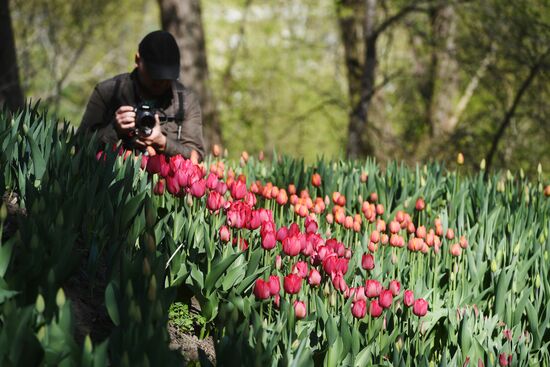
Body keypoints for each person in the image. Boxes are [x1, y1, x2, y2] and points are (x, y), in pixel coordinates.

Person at [78, 30, 205, 162]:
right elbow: (79, 146)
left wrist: (163, 143)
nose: (160, 82)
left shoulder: (186, 101)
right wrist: (114, 130)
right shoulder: (108, 92)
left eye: (167, 77)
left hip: (164, 181)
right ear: (138, 60)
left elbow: (196, 156)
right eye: (154, 74)